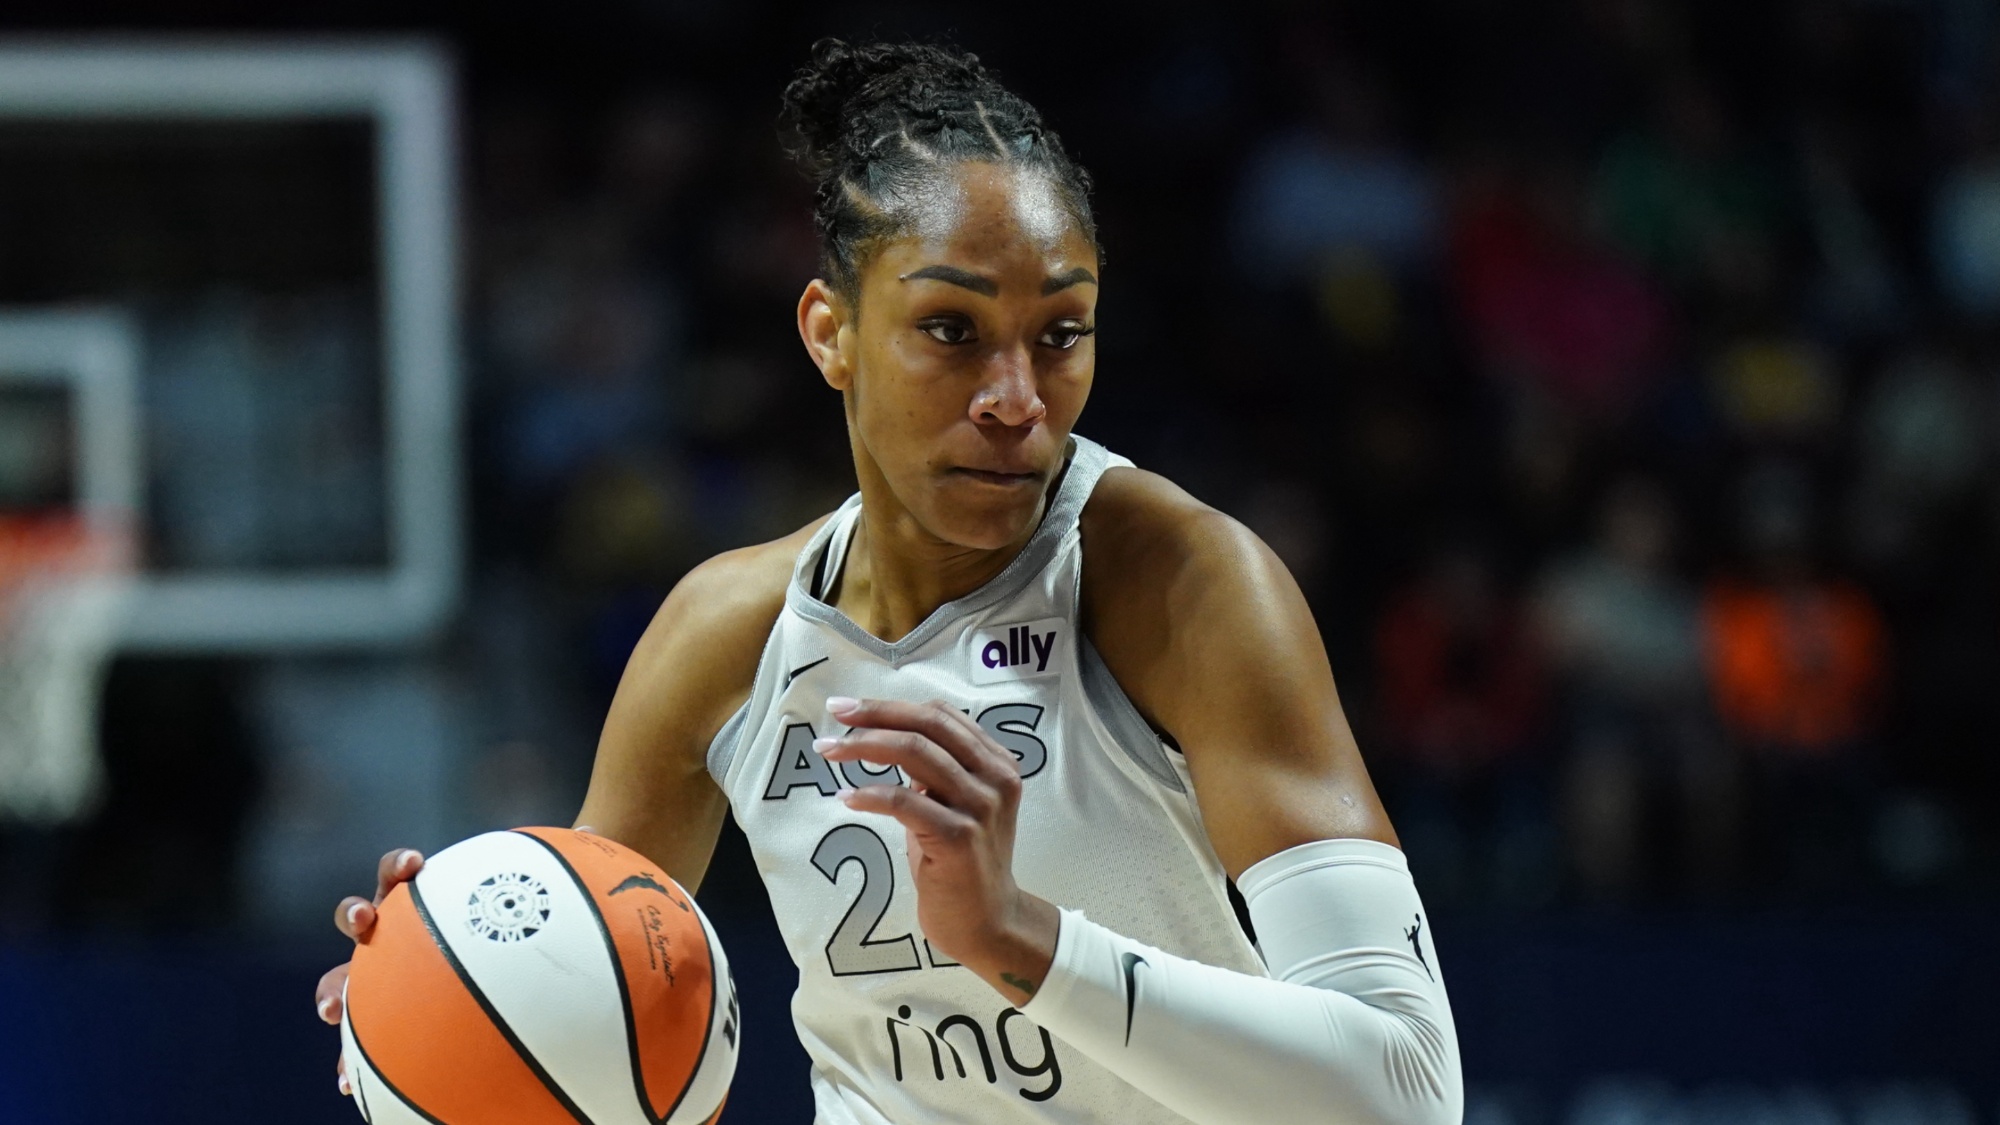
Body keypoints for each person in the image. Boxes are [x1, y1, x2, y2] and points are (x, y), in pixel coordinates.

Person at [315, 40, 1462, 1125]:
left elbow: (1407, 1090)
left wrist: (1018, 939)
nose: (1016, 395)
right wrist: (449, 983)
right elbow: (598, 1010)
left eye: (1060, 332)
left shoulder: (1184, 585)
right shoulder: (724, 634)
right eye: (952, 329)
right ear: (830, 334)